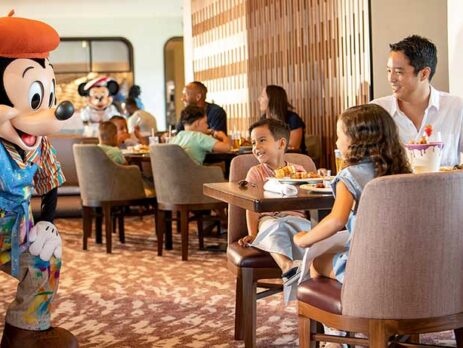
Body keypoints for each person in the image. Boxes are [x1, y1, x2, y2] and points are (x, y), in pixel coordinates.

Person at [293, 104, 411, 284]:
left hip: (365, 266)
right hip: (405, 261)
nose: (336, 143)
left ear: (356, 142)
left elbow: (336, 220)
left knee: (316, 263)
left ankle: (341, 309)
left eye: (339, 136)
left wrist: (304, 240)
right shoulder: (403, 173)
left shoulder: (349, 176)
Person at [372, 35, 463, 166]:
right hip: (394, 187)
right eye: (388, 71)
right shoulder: (377, 111)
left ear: (424, 74)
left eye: (398, 72)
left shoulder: (456, 108)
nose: (391, 78)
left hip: (442, 186)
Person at [238, 118, 311, 280]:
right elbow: (251, 205)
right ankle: (287, 266)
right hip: (269, 219)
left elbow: (308, 200)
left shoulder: (299, 171)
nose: (256, 147)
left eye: (262, 140)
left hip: (295, 218)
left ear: (281, 144)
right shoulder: (255, 173)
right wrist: (252, 233)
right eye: (253, 143)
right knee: (272, 227)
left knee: (308, 230)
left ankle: (311, 275)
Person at [259, 85, 307, 154]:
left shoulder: (292, 119)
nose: (259, 99)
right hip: (270, 159)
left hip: (293, 159)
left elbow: (293, 148)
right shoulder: (262, 119)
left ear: (272, 99)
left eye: (262, 96)